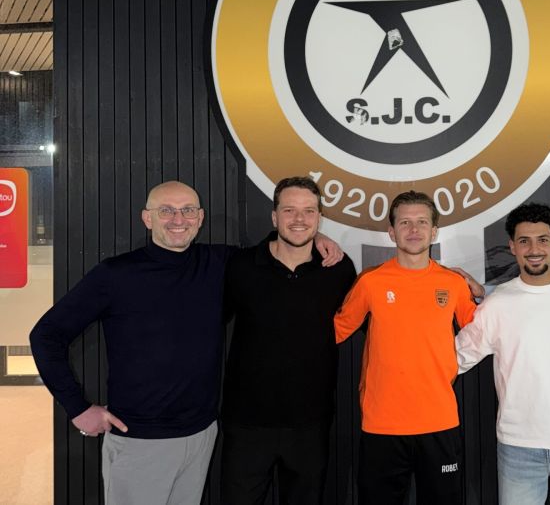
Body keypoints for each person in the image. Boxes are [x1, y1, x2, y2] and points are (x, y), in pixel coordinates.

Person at [29, 180, 342, 505]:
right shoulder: (115, 274)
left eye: (188, 210)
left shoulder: (220, 262)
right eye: (166, 211)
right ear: (147, 218)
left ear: (200, 217)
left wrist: (315, 238)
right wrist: (78, 409)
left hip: (201, 435)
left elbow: (279, 249)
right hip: (140, 438)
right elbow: (45, 335)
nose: (178, 219)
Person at [456, 203, 550, 505]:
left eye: (542, 240)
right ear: (512, 246)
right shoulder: (498, 303)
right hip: (518, 446)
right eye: (524, 241)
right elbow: (455, 358)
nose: (534, 249)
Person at [334, 190, 477, 505]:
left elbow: (484, 330)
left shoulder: (453, 283)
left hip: (439, 422)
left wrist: (482, 294)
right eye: (405, 223)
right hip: (382, 424)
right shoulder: (370, 282)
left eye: (422, 222)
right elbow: (335, 332)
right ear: (391, 232)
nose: (414, 229)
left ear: (434, 232)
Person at [220, 176, 356, 505]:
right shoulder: (240, 266)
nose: (299, 219)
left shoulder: (338, 269)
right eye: (289, 210)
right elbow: (210, 323)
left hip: (310, 425)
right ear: (274, 216)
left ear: (319, 218)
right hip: (247, 424)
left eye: (309, 211)